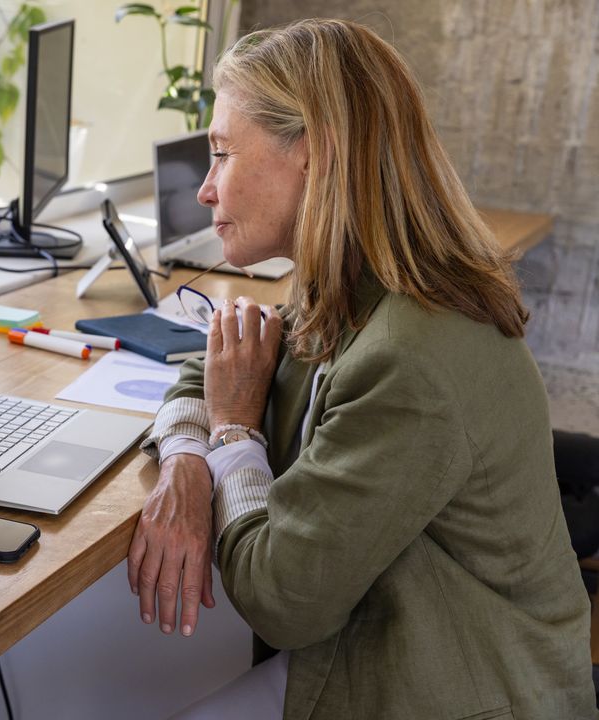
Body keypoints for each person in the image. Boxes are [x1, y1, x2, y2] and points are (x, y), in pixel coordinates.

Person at [127, 18, 597, 719]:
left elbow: (280, 601)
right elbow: (218, 369)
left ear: (312, 153)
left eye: (222, 154)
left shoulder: (411, 354)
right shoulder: (352, 286)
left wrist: (231, 433)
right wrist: (189, 459)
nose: (205, 190)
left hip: (462, 685)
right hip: (387, 639)